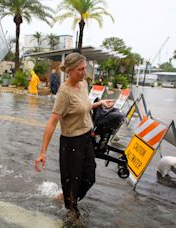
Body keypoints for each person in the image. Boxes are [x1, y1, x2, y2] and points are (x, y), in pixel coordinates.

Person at [34, 52, 115, 219]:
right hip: (71, 141)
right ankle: (71, 211)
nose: (84, 73)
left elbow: (83, 106)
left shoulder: (83, 84)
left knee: (89, 176)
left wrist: (99, 103)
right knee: (73, 179)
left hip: (86, 137)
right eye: (80, 69)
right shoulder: (64, 93)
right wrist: (43, 152)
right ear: (69, 70)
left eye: (85, 69)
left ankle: (66, 197)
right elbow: (52, 121)